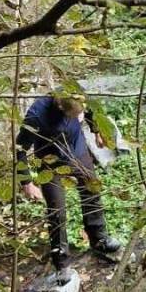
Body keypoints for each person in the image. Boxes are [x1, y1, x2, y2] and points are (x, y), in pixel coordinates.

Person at [17, 94, 121, 270]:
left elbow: (92, 111)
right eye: (73, 116)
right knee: (57, 211)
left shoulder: (76, 94)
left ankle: (99, 239)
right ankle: (62, 262)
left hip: (77, 151)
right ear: (60, 108)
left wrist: (97, 132)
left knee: (92, 191)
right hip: (50, 163)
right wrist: (27, 182)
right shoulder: (36, 115)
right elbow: (20, 147)